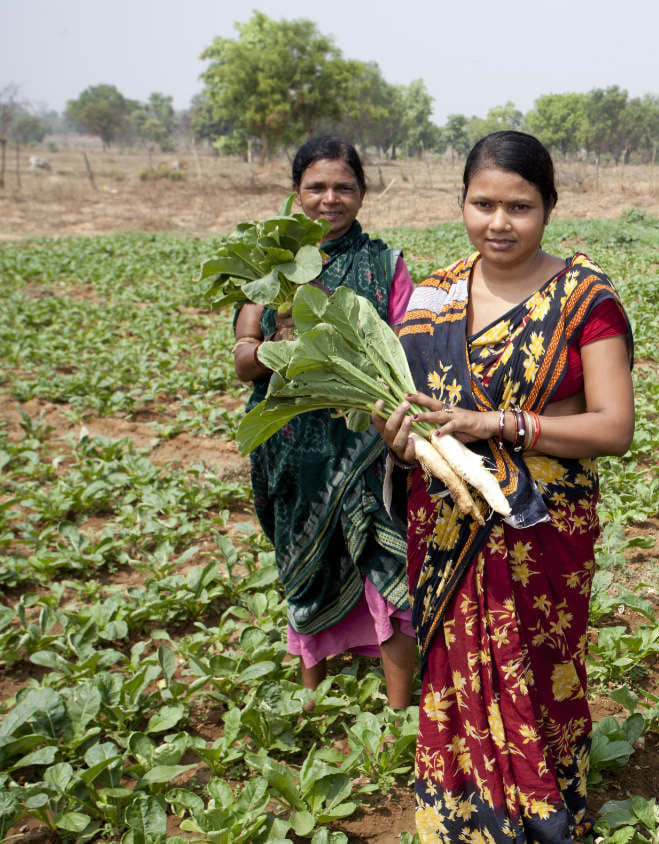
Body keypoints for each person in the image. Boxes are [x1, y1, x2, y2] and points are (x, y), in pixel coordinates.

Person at [372, 131, 634, 842]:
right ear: (461, 202)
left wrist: (503, 422)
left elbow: (614, 427)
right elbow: (408, 418)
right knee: (457, 683)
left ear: (548, 207)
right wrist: (402, 442)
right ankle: (458, 820)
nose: (499, 222)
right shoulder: (431, 300)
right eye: (482, 203)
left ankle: (544, 815)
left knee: (541, 675)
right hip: (450, 520)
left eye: (519, 206)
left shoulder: (585, 299)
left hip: (542, 528)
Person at [232, 136, 417, 709]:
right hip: (293, 445)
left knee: (387, 564)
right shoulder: (270, 271)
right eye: (316, 187)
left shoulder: (387, 265)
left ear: (362, 193)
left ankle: (396, 710)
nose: (330, 199)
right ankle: (311, 699)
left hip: (370, 442)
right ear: (296, 194)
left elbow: (409, 350)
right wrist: (279, 340)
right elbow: (242, 359)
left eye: (344, 187)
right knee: (304, 565)